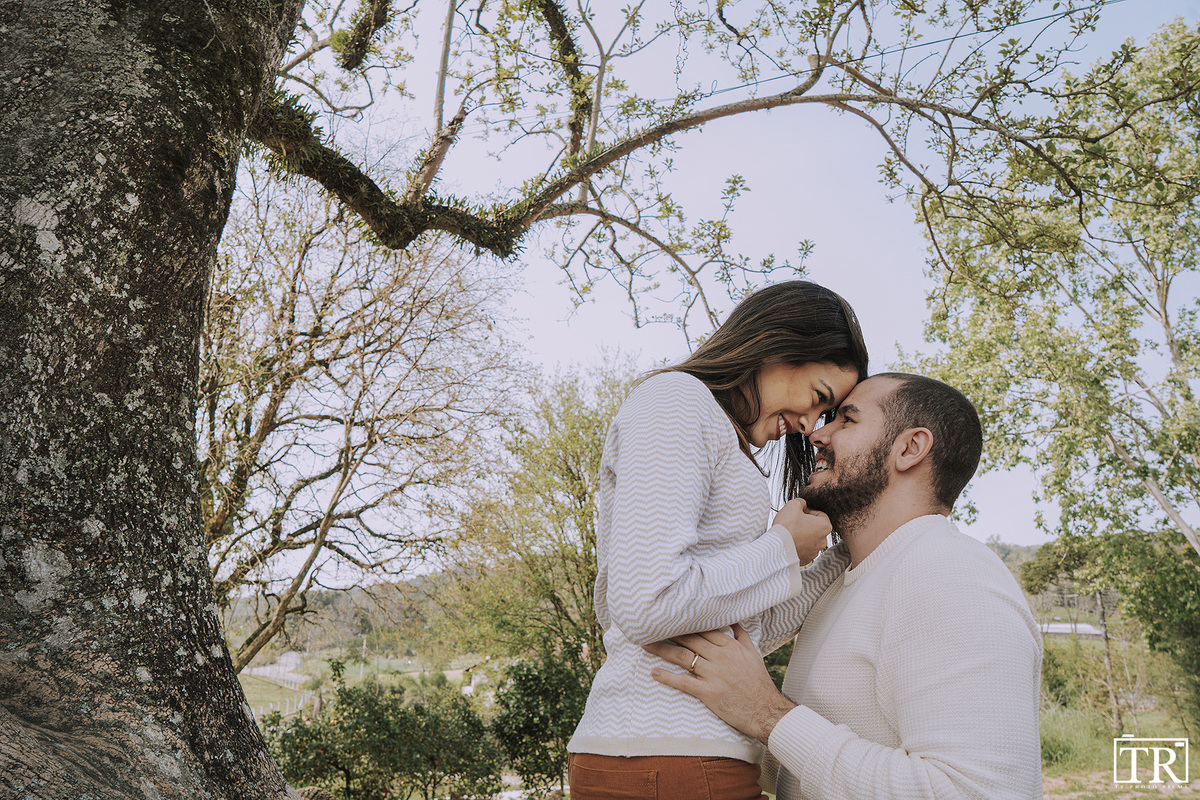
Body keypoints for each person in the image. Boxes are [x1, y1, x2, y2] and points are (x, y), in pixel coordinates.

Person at [645, 373, 1044, 800]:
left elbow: (980, 792)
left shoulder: (950, 573)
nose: (817, 434)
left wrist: (768, 714)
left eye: (847, 421)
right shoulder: (842, 582)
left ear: (910, 448)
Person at [566, 281, 870, 800]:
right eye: (818, 399)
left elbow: (741, 630)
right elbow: (646, 603)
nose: (807, 426)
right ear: (778, 345)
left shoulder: (717, 432)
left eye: (824, 415)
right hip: (669, 760)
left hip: (678, 756)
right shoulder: (677, 402)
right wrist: (780, 548)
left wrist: (845, 550)